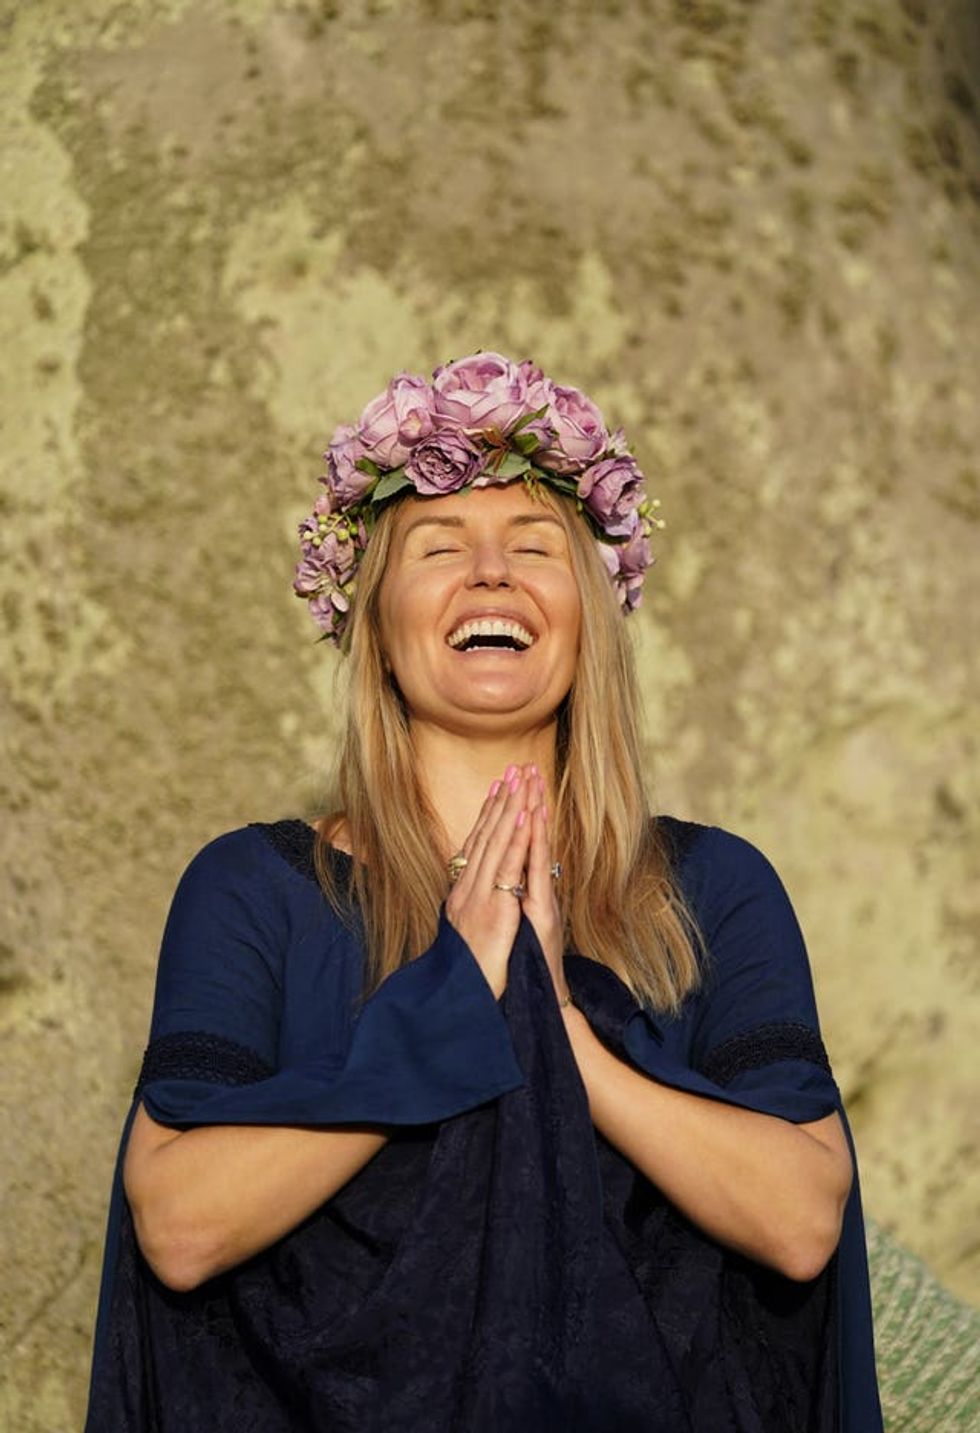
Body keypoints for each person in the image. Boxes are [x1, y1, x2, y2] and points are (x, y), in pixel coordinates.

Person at [85, 353, 883, 1431]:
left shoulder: (710, 887)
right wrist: (448, 1006)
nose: (491, 574)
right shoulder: (251, 890)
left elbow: (797, 1221)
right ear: (373, 622)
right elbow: (178, 1228)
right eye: (440, 545)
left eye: (533, 546)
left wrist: (554, 1022)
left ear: (587, 615)